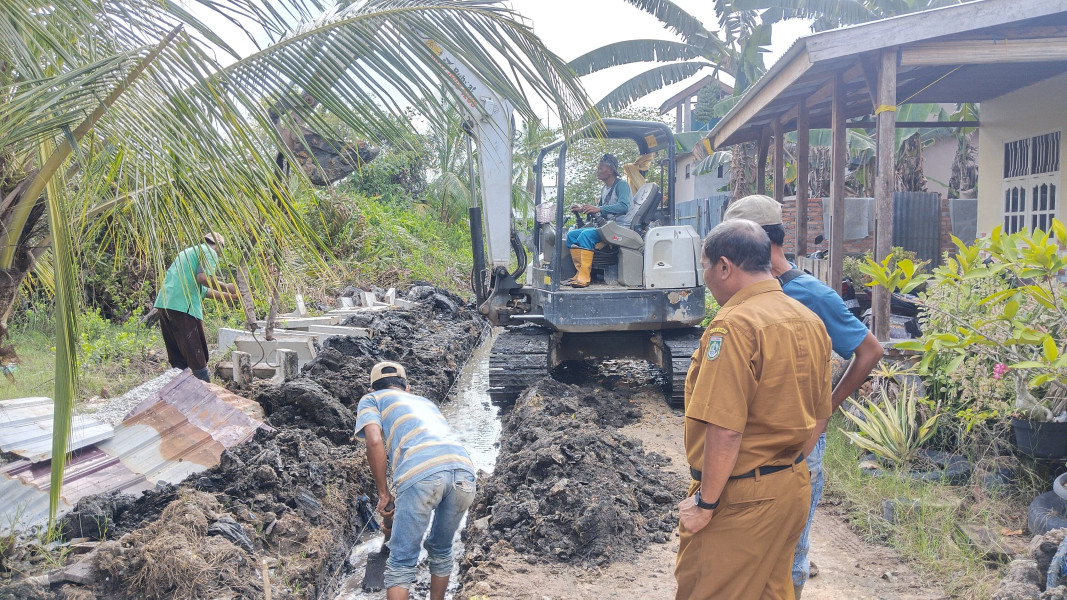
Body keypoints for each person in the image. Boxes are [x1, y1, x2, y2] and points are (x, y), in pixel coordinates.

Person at [723, 194, 884, 599]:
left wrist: (826, 409)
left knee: (791, 547)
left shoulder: (811, 294)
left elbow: (870, 350)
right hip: (750, 440)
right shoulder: (742, 291)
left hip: (799, 441)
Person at [675, 219, 832, 600]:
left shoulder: (734, 325)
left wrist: (707, 502)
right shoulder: (809, 320)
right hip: (792, 486)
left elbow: (725, 428)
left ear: (724, 267)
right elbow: (822, 413)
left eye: (705, 268)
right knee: (771, 591)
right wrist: (783, 465)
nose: (706, 279)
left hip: (742, 495)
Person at [353, 362, 477, 600]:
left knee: (401, 560)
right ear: (407, 388)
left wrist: (383, 494)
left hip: (422, 473)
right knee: (441, 549)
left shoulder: (371, 400)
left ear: (372, 389)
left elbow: (375, 442)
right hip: (464, 472)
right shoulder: (425, 402)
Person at [153, 232, 239, 382]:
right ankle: (208, 393)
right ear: (218, 244)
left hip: (165, 304)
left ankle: (180, 393)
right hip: (183, 306)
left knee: (178, 357)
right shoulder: (209, 251)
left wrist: (230, 297)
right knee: (196, 355)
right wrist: (227, 286)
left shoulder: (187, 253)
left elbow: (204, 291)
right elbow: (203, 278)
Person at [563, 153, 632, 287]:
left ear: (611, 170)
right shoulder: (605, 189)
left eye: (601, 168)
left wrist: (597, 209)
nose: (598, 171)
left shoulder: (621, 185)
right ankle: (579, 273)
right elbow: (599, 209)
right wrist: (582, 209)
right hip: (606, 227)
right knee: (571, 235)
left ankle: (585, 277)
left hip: (620, 228)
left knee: (585, 235)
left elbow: (624, 206)